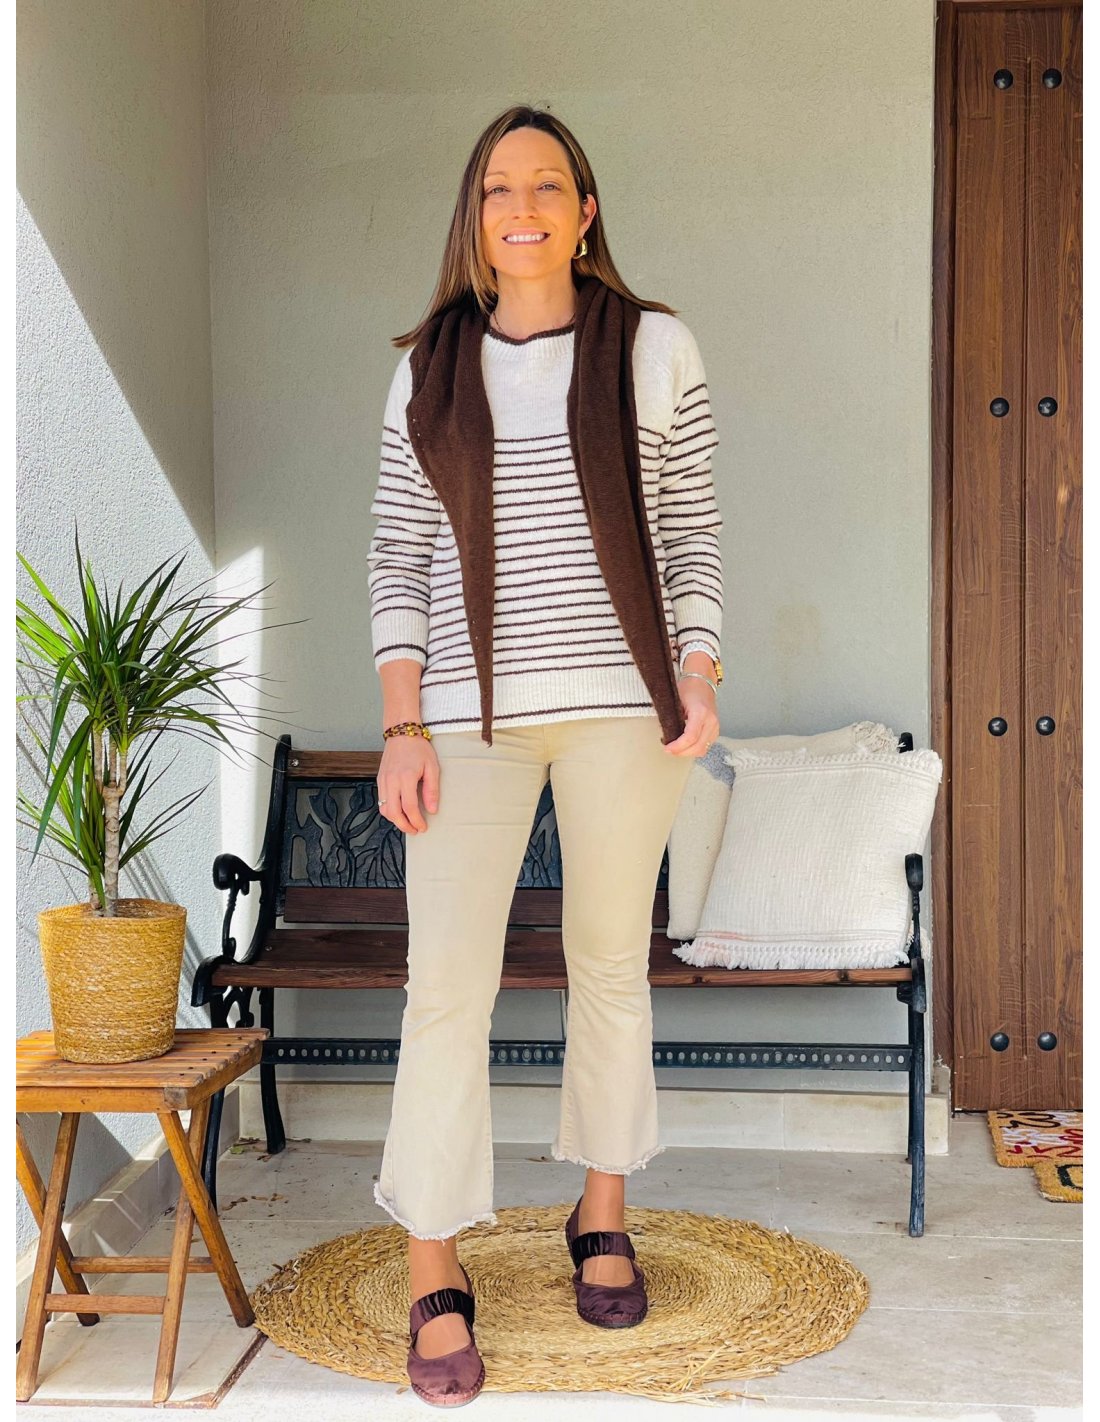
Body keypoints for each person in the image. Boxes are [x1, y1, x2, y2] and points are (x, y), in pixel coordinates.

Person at [366, 103, 724, 1407]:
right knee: (446, 987)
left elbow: (691, 529)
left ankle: (602, 1211)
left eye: (547, 186)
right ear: (475, 217)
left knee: (609, 964)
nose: (521, 208)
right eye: (498, 189)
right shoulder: (430, 368)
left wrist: (699, 667)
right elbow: (399, 554)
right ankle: (433, 1258)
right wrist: (402, 723)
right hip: (467, 719)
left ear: (585, 212)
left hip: (627, 709)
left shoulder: (656, 347)